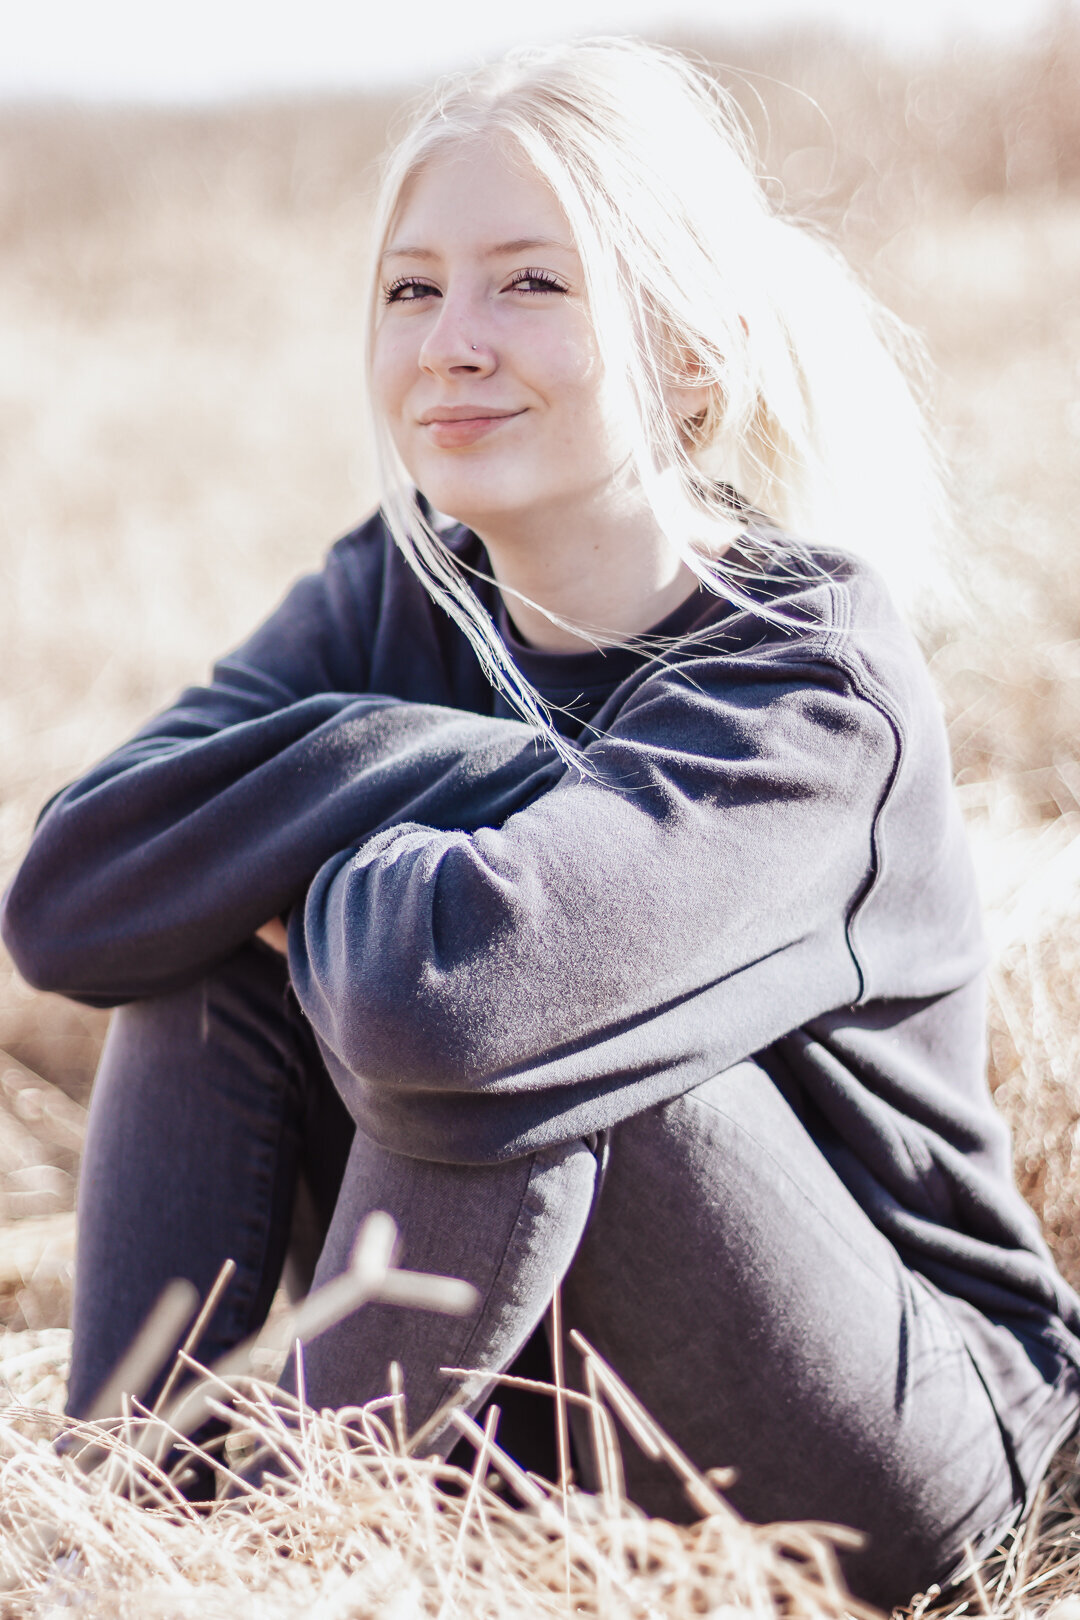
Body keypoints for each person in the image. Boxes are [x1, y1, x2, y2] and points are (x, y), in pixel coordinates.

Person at [3, 38, 1078, 1608]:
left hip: (892, 1451)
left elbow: (446, 1004)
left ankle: (281, 1551)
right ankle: (135, 1513)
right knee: (203, 952)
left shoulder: (807, 679)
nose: (454, 343)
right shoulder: (403, 589)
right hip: (552, 1393)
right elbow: (75, 897)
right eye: (413, 290)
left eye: (531, 284)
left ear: (689, 358)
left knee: (522, 1035)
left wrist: (330, 863)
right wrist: (461, 774)